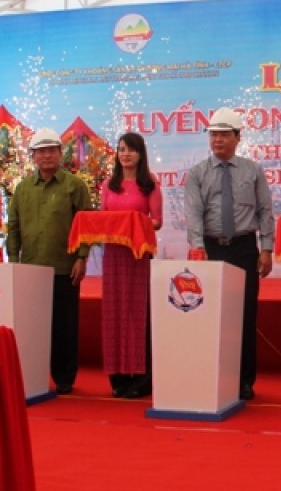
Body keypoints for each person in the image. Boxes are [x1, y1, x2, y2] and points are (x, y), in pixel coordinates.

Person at [184, 107, 275, 401]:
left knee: (245, 315)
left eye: (224, 134)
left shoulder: (253, 171)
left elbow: (264, 211)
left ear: (238, 137)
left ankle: (244, 381)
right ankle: (211, 375)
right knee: (209, 316)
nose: (218, 140)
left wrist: (267, 249)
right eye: (214, 135)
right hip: (210, 250)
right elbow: (194, 214)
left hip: (244, 248)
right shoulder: (197, 173)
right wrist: (198, 248)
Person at [7, 127, 92, 395]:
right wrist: (12, 260)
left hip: (65, 267)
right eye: (41, 151)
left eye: (51, 150)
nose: (46, 156)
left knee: (65, 326)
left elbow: (86, 224)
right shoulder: (22, 189)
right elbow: (13, 227)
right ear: (33, 156)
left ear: (60, 153)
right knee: (33, 325)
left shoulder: (74, 185)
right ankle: (33, 374)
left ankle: (65, 378)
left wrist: (82, 257)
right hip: (30, 269)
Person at [100, 133, 162, 399]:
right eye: (121, 149)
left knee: (136, 314)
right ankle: (117, 376)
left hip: (137, 256)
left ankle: (140, 376)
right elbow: (102, 219)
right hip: (113, 255)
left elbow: (157, 221)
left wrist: (133, 223)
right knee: (114, 313)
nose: (125, 154)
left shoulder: (150, 184)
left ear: (141, 154)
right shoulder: (108, 185)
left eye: (131, 150)